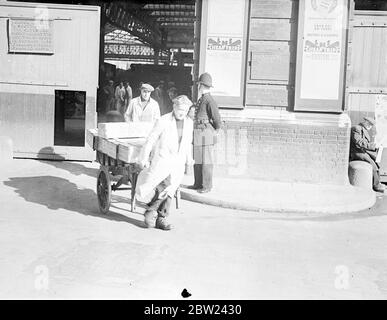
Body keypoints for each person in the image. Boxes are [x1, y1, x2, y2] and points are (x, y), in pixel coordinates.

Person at [135, 95, 194, 230]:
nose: (182, 113)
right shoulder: (164, 120)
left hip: (177, 163)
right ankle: (151, 211)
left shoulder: (189, 123)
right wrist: (143, 158)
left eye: (185, 111)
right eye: (180, 109)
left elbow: (188, 143)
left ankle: (161, 218)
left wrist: (189, 158)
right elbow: (151, 139)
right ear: (174, 107)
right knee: (165, 186)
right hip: (163, 160)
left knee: (171, 189)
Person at [189, 72, 221, 194]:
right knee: (197, 159)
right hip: (198, 131)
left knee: (206, 161)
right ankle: (198, 183)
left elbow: (216, 117)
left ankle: (207, 186)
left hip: (205, 132)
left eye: (200, 84)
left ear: (201, 85)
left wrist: (216, 130)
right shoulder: (202, 99)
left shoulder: (209, 100)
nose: (198, 87)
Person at [350, 116, 385, 192]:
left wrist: (374, 145)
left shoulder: (362, 129)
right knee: (373, 164)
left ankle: (378, 182)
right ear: (365, 122)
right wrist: (372, 146)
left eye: (371, 125)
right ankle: (376, 185)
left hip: (362, 151)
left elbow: (364, 143)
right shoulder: (356, 128)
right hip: (357, 152)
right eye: (369, 124)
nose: (370, 126)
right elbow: (359, 143)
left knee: (376, 163)